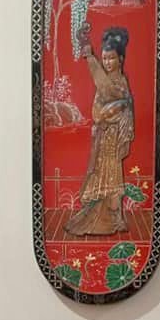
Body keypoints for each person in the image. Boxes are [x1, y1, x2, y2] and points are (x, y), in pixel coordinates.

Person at [65, 24, 134, 235]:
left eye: (111, 58)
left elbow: (105, 89)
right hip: (103, 137)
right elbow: (99, 109)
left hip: (113, 136)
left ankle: (115, 217)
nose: (107, 62)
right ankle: (107, 216)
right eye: (104, 59)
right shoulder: (109, 81)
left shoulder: (119, 82)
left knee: (113, 175)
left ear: (120, 59)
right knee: (102, 173)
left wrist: (89, 56)